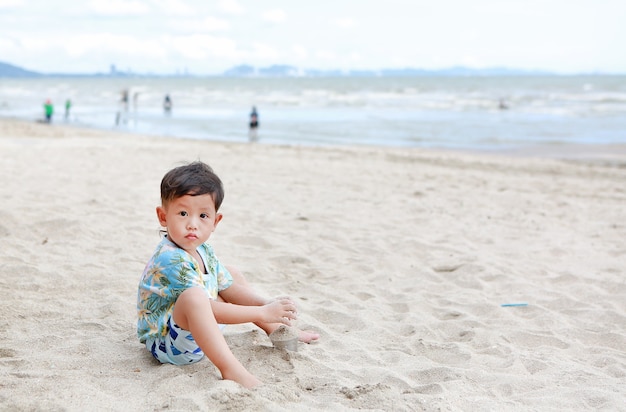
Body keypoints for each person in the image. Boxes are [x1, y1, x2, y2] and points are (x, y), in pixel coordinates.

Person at [137, 161, 319, 389]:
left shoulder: (203, 250)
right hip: (169, 345)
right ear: (163, 217)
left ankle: (275, 329)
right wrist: (262, 310)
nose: (192, 224)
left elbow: (229, 289)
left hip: (197, 331)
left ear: (215, 221)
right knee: (194, 297)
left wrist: (267, 303)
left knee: (229, 273)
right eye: (183, 213)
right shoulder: (170, 258)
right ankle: (231, 370)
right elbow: (208, 309)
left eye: (203, 215)